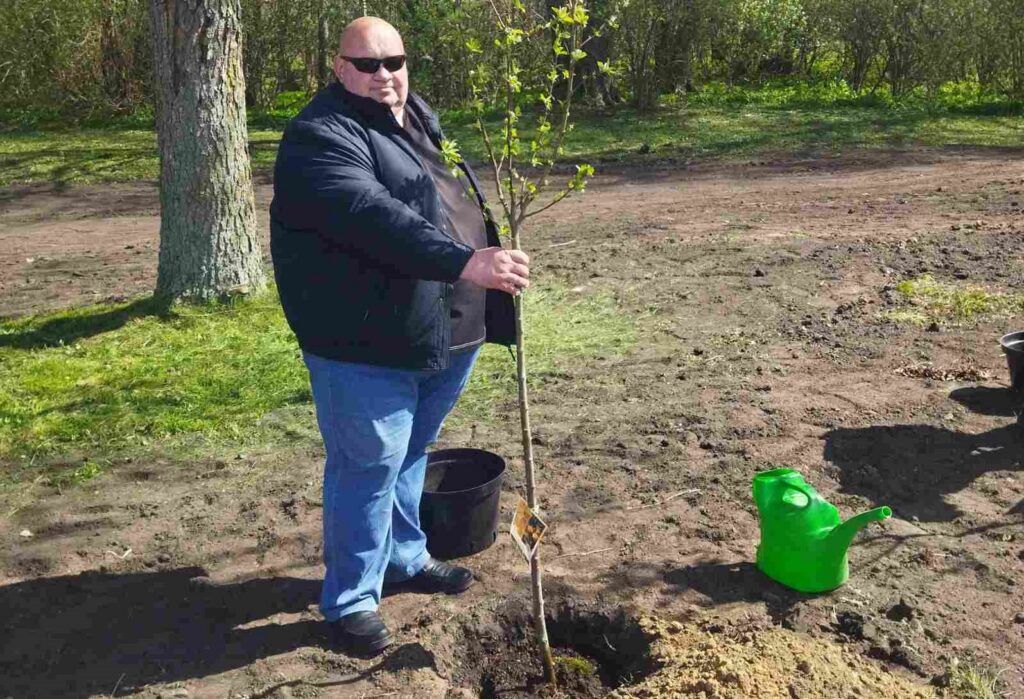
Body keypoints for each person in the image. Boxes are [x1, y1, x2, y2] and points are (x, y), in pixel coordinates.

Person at [269, 16, 530, 657]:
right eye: (368, 64)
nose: (384, 74)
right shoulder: (319, 137)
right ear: (338, 68)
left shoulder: (416, 115)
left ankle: (405, 558)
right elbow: (370, 216)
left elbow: (444, 197)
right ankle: (352, 599)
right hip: (364, 337)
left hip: (445, 325)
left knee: (413, 449)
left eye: (395, 60)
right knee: (368, 465)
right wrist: (465, 261)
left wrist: (483, 263)